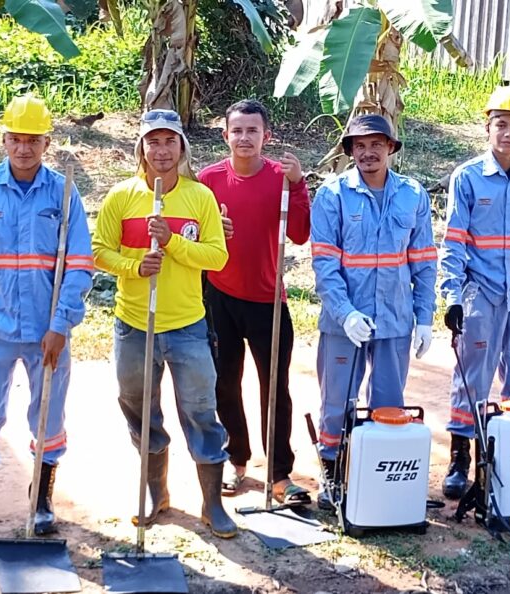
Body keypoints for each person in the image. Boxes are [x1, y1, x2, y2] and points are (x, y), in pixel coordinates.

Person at [0, 95, 94, 538]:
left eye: (32, 140)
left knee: (47, 415)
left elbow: (79, 264)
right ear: (4, 140)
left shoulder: (65, 193)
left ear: (46, 143)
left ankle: (42, 497)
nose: (23, 148)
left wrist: (61, 325)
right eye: (15, 139)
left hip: (45, 330)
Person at [92, 109, 237, 538]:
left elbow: (217, 256)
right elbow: (100, 251)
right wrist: (137, 266)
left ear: (181, 148)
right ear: (141, 147)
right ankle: (158, 493)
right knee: (139, 410)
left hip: (188, 325)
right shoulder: (121, 197)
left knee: (200, 411)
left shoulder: (199, 197)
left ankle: (212, 504)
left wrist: (172, 243)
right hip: (135, 325)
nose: (161, 150)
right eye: (152, 141)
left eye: (169, 141)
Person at [310, 114, 437, 509]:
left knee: (388, 403)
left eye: (376, 145)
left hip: (395, 319)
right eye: (360, 146)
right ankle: (332, 473)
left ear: (391, 149)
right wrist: (346, 314)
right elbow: (325, 265)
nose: (368, 153)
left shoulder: (413, 195)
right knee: (337, 402)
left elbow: (423, 260)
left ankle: (378, 477)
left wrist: (426, 315)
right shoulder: (332, 196)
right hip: (343, 323)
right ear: (350, 151)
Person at [198, 100, 311, 505]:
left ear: (267, 136)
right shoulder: (207, 180)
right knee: (224, 383)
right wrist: (208, 229)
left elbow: (299, 234)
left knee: (274, 388)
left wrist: (298, 186)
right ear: (225, 135)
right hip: (219, 297)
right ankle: (236, 459)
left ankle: (280, 475)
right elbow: (188, 231)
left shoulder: (283, 178)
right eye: (237, 130)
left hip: (268, 300)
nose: (244, 138)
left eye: (253, 131)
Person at [440, 86, 510, 499]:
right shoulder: (467, 177)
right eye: (501, 124)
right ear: (488, 128)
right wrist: (453, 295)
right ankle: (461, 458)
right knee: (473, 375)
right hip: (480, 291)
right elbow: (454, 241)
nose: (508, 133)